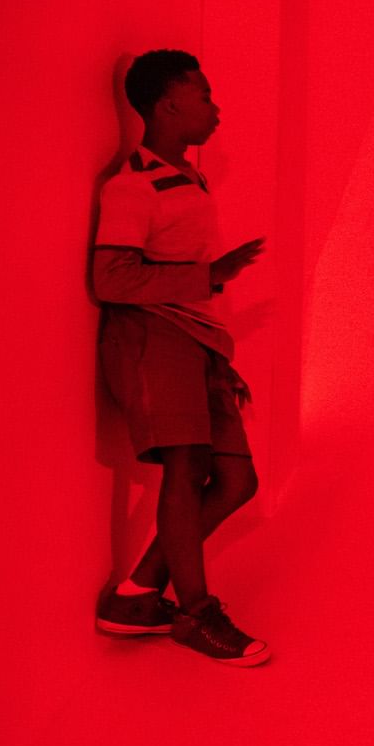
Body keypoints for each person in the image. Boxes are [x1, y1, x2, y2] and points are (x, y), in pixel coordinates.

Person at [91, 50, 269, 665]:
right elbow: (111, 278)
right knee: (186, 468)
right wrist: (209, 275)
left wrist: (217, 348)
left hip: (195, 341)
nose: (215, 110)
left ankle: (138, 593)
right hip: (151, 337)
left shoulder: (187, 179)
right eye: (205, 97)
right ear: (168, 104)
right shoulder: (131, 186)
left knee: (238, 480)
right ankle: (195, 614)